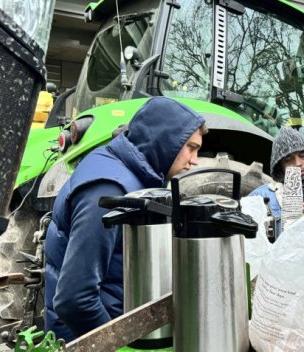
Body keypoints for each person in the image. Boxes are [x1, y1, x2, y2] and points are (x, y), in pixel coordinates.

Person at [44, 97, 208, 341]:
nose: (195, 161)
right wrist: (119, 346)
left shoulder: (135, 175)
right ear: (165, 142)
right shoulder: (108, 190)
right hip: (86, 339)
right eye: (191, 148)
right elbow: (75, 299)